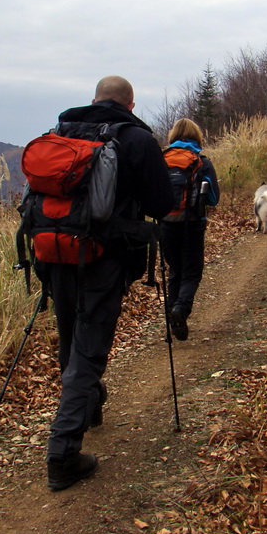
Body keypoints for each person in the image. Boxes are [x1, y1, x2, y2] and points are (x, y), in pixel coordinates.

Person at [41, 76, 174, 490]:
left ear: (94, 99)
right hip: (104, 256)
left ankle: (89, 407)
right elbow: (162, 205)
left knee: (70, 337)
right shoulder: (136, 139)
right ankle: (63, 455)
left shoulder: (59, 132)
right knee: (90, 349)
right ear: (130, 104)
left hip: (55, 252)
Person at [160, 118, 220, 341]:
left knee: (175, 272)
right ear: (197, 136)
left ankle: (171, 323)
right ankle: (180, 310)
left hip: (166, 223)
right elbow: (213, 198)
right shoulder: (202, 162)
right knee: (192, 273)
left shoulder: (162, 160)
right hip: (193, 224)